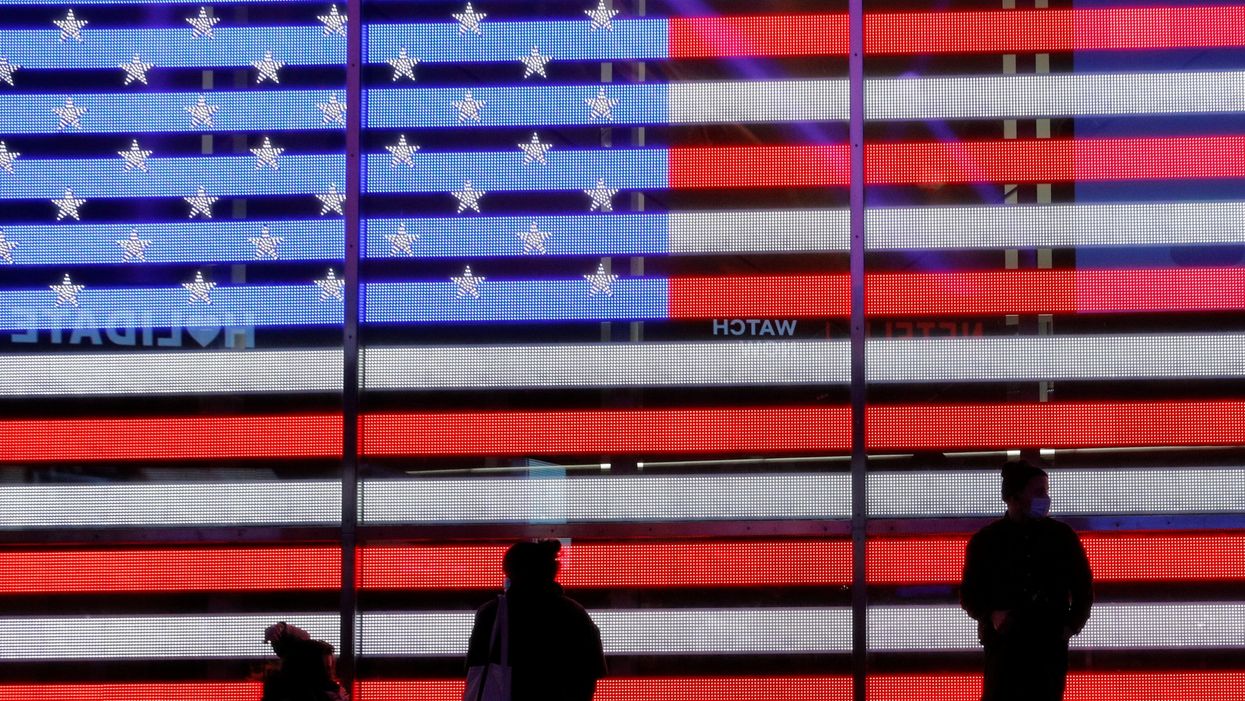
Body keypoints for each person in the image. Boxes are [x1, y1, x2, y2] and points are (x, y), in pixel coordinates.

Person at [961, 460, 1093, 701]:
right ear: (1015, 496)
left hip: (1046, 649)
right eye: (1039, 491)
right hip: (1005, 651)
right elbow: (969, 594)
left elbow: (1084, 589)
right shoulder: (986, 542)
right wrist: (992, 614)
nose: (1046, 498)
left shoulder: (1062, 537)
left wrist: (1070, 627)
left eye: (1046, 491)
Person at [466, 540, 607, 701]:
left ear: (511, 571)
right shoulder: (573, 612)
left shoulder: (492, 613)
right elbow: (592, 671)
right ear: (550, 572)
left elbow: (475, 666)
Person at [261, 621, 349, 701]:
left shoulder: (279, 689)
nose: (330, 675)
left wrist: (281, 628)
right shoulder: (332, 694)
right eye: (326, 669)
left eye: (329, 669)